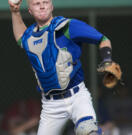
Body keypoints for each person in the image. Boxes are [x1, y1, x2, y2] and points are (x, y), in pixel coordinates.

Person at [8, 0, 113, 134]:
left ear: (52, 6)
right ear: (30, 10)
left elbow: (103, 39)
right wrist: (15, 11)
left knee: (88, 131)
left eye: (45, 2)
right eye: (36, 3)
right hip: (51, 105)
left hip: (77, 97)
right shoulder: (30, 36)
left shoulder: (67, 26)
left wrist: (107, 59)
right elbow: (21, 38)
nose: (42, 6)